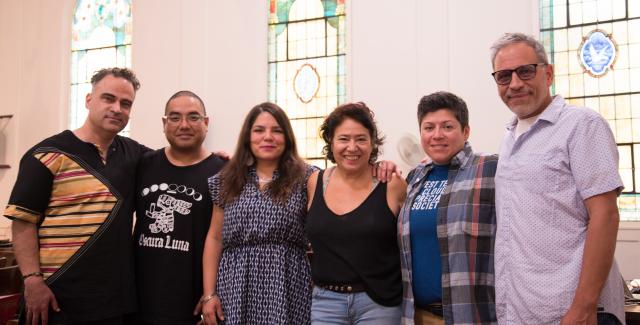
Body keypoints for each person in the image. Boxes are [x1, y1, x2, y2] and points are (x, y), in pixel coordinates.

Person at [490, 33, 625, 324]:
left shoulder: (581, 125)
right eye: (503, 76)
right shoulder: (509, 137)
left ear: (547, 73)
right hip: (521, 312)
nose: (514, 83)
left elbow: (605, 215)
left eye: (525, 71)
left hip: (572, 312)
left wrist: (583, 307)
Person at [3, 68, 148, 324]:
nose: (117, 108)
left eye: (126, 103)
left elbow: (176, 163)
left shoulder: (134, 155)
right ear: (89, 100)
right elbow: (23, 221)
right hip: (56, 296)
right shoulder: (47, 154)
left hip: (113, 301)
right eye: (108, 98)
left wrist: (218, 161)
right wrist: (32, 280)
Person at [202, 102, 314, 325]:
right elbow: (215, 238)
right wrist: (209, 294)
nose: (268, 137)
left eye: (277, 130)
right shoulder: (226, 180)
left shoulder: (307, 178)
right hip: (235, 284)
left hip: (287, 283)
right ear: (248, 136)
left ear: (287, 137)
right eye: (259, 130)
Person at [397, 91, 498, 325]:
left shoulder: (490, 169)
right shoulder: (415, 177)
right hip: (416, 315)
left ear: (466, 131)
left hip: (471, 316)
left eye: (447, 127)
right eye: (428, 127)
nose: (437, 135)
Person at [306, 102, 406, 324]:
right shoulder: (315, 181)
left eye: (361, 139)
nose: (352, 147)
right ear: (330, 142)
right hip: (325, 303)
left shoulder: (392, 183)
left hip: (378, 304)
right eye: (343, 139)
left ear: (373, 143)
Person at [132, 91, 226, 325]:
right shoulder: (142, 165)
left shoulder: (224, 172)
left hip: (194, 304)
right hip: (140, 300)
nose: (184, 125)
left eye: (193, 117)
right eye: (175, 118)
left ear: (206, 123)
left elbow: (223, 239)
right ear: (164, 124)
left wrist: (211, 293)